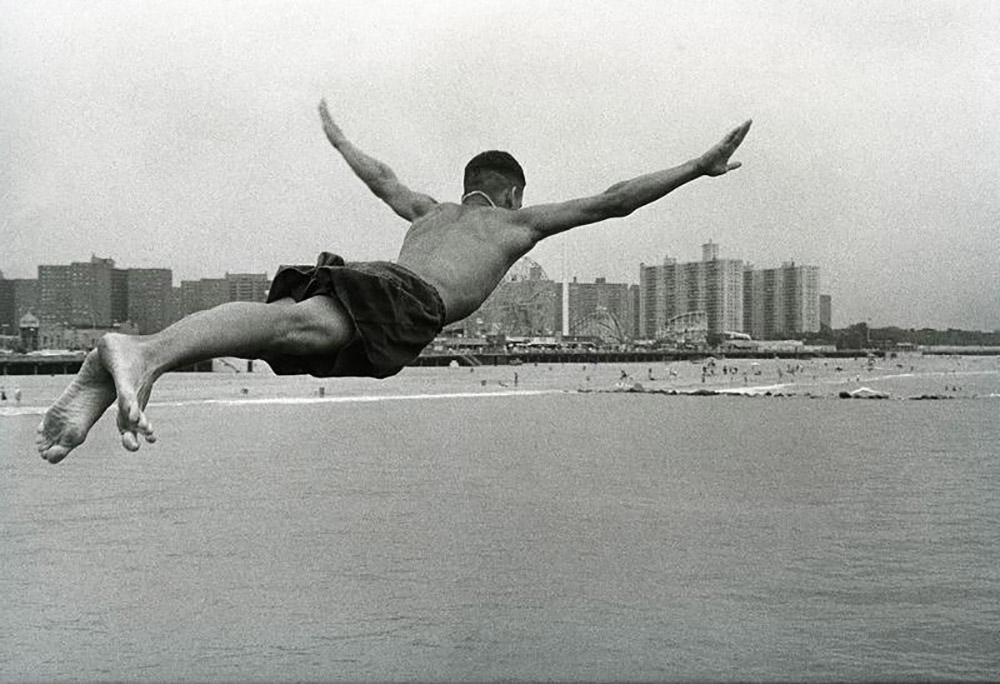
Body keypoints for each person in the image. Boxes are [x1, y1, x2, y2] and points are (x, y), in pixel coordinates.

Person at [36, 99, 751, 464]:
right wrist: (698, 166)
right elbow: (615, 198)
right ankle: (144, 353)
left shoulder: (429, 211)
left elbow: (381, 178)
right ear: (507, 194)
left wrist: (340, 138)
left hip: (385, 280)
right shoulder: (516, 224)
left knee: (288, 327)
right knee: (295, 328)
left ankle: (136, 359)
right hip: (413, 301)